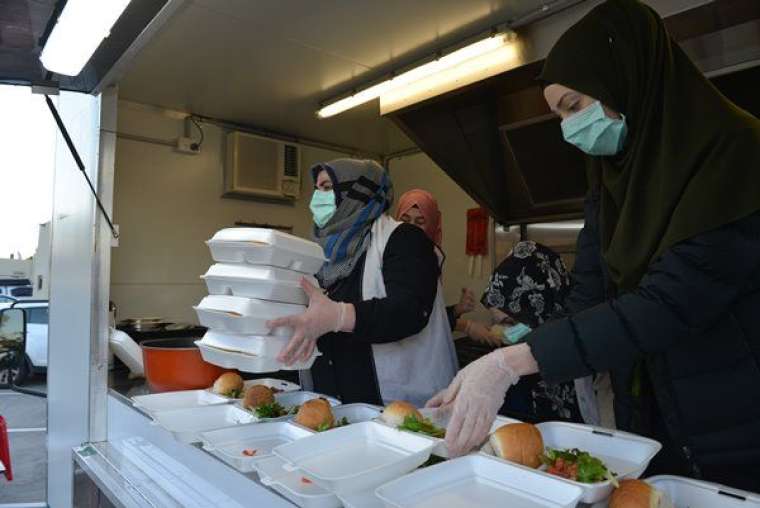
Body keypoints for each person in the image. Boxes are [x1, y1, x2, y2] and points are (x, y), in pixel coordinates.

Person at [426, 0, 760, 490]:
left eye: (574, 106)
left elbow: (667, 303)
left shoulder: (737, 153)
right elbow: (589, 296)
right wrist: (506, 366)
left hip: (735, 423)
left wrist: (511, 360)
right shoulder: (611, 180)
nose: (567, 128)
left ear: (623, 77)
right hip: (649, 416)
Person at [268, 159, 458, 408]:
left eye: (326, 187)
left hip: (396, 404)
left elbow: (410, 310)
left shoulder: (404, 239)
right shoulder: (321, 251)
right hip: (333, 401)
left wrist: (339, 316)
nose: (317, 197)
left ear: (356, 192)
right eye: (317, 188)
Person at [462, 240, 587, 423]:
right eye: (498, 323)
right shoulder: (510, 378)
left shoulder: (577, 355)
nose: (506, 333)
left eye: (511, 322)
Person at [394, 188, 476, 329]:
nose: (411, 229)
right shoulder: (387, 259)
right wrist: (463, 326)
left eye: (420, 222)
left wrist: (457, 310)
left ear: (432, 227)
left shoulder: (430, 258)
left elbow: (427, 312)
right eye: (405, 221)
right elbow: (400, 316)